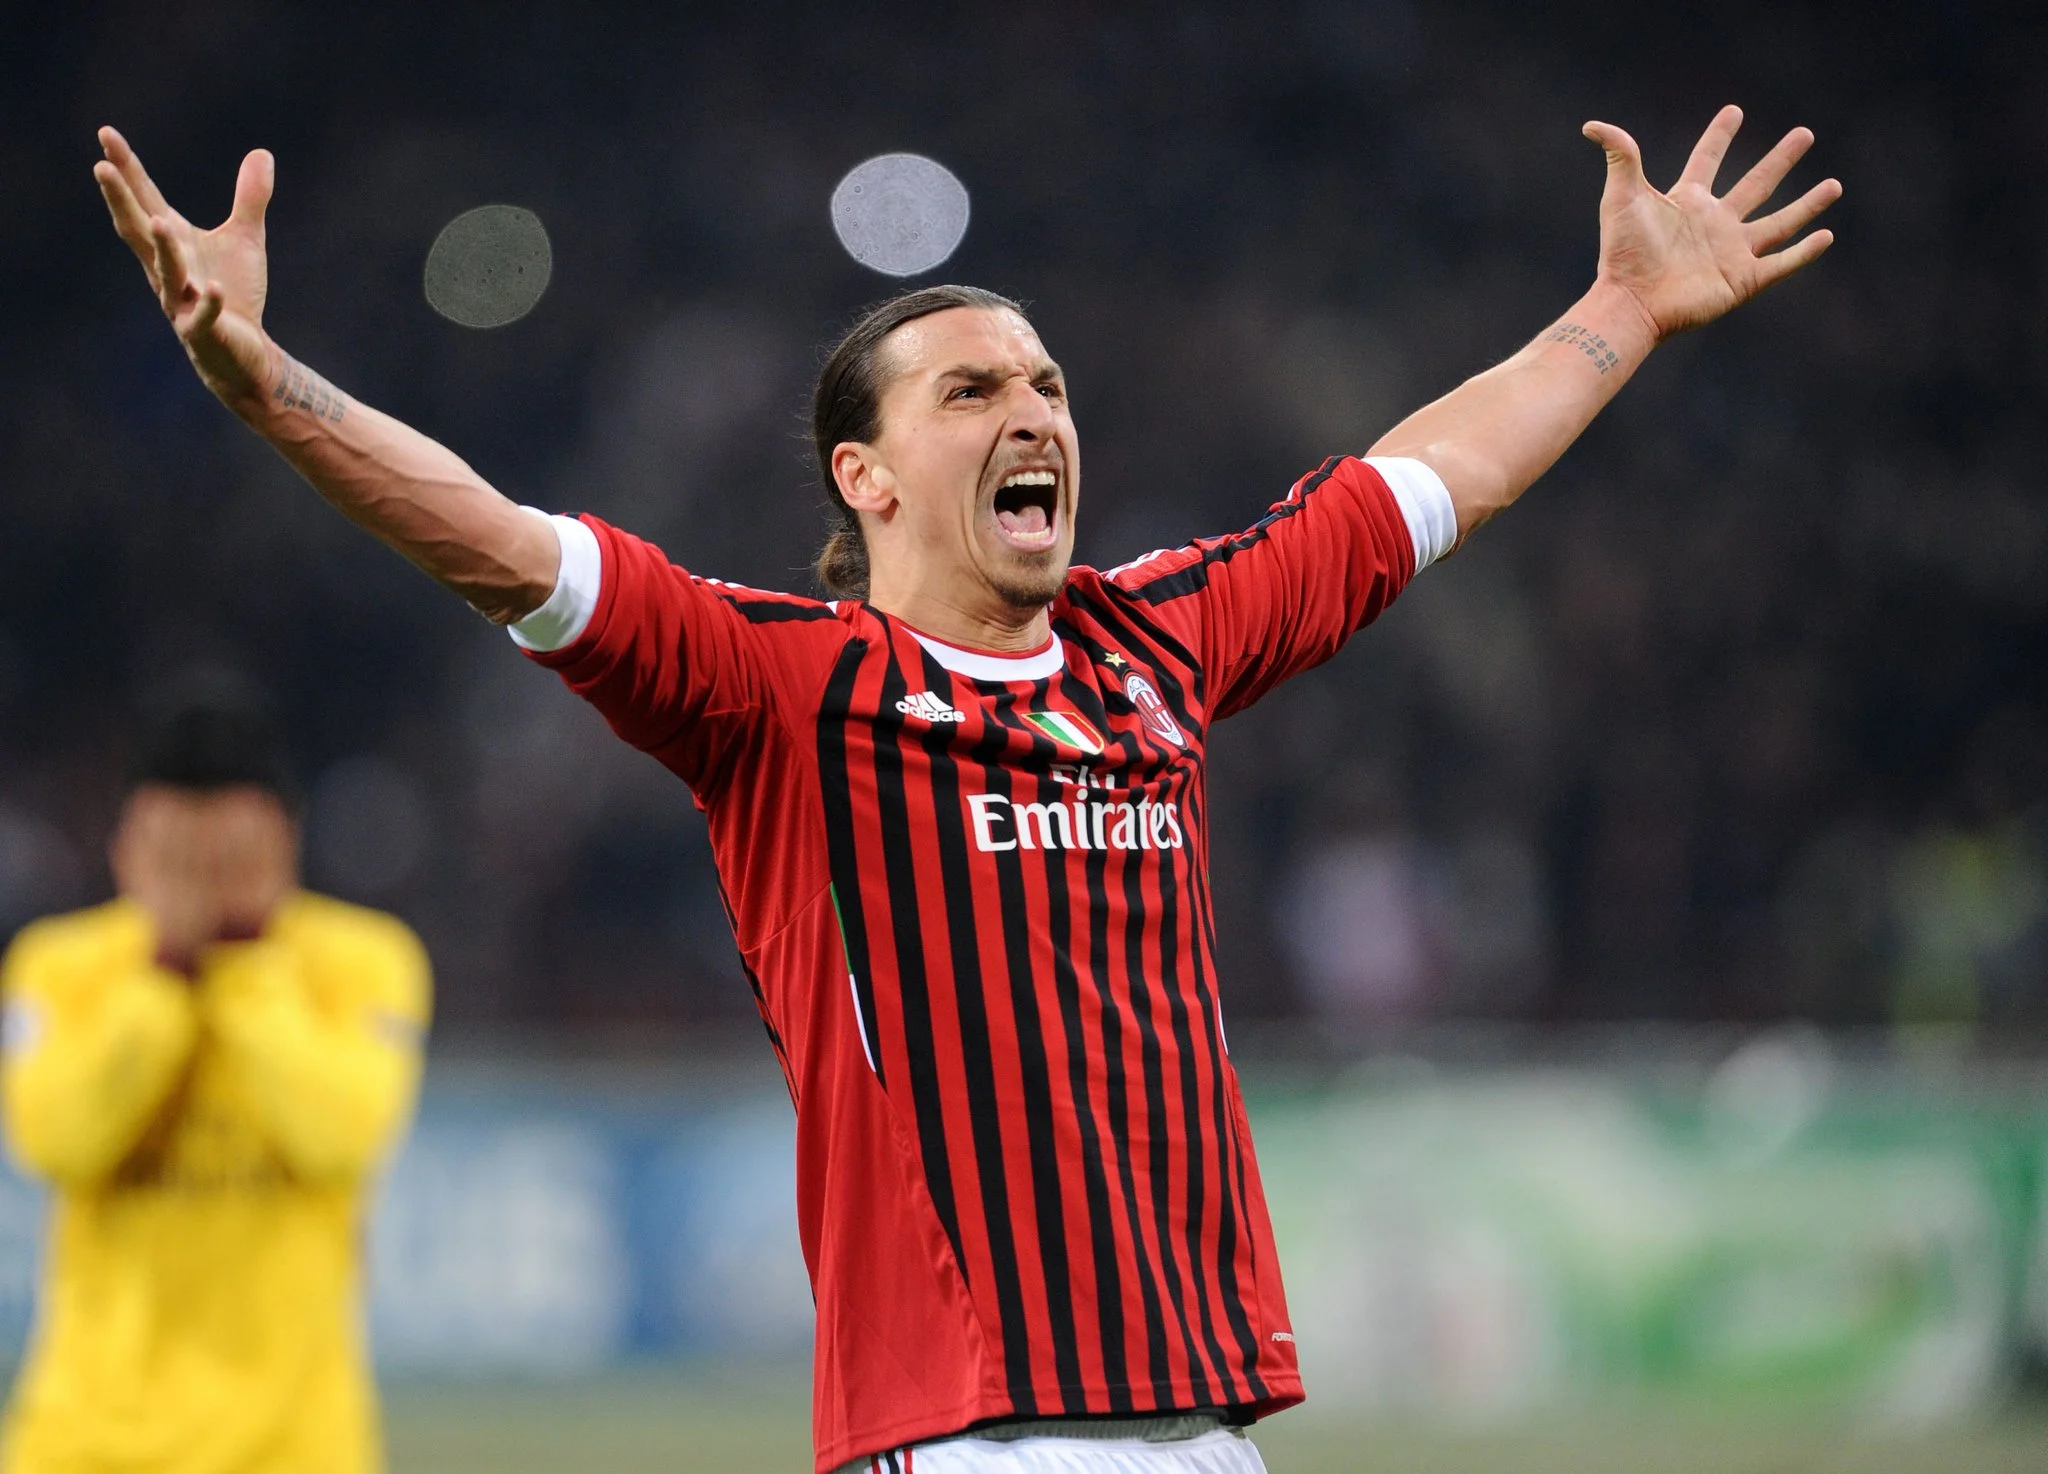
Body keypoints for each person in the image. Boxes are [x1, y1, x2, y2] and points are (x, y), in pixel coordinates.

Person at [88, 104, 1837, 1474]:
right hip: (978, 1426)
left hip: (1206, 1416)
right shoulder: (777, 689)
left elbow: (1428, 480)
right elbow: (492, 538)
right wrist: (268, 384)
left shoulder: (1159, 642)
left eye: (1049, 383)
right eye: (973, 387)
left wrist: (1621, 309)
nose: (1035, 411)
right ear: (863, 474)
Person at [0, 689, 431, 1474]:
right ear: (124, 846)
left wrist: (243, 956)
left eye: (226, 845)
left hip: (292, 1452)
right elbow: (58, 1142)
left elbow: (339, 1140)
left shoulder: (363, 962)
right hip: (86, 1449)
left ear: (284, 841)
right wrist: (167, 967)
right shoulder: (59, 965)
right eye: (175, 845)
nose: (199, 870)